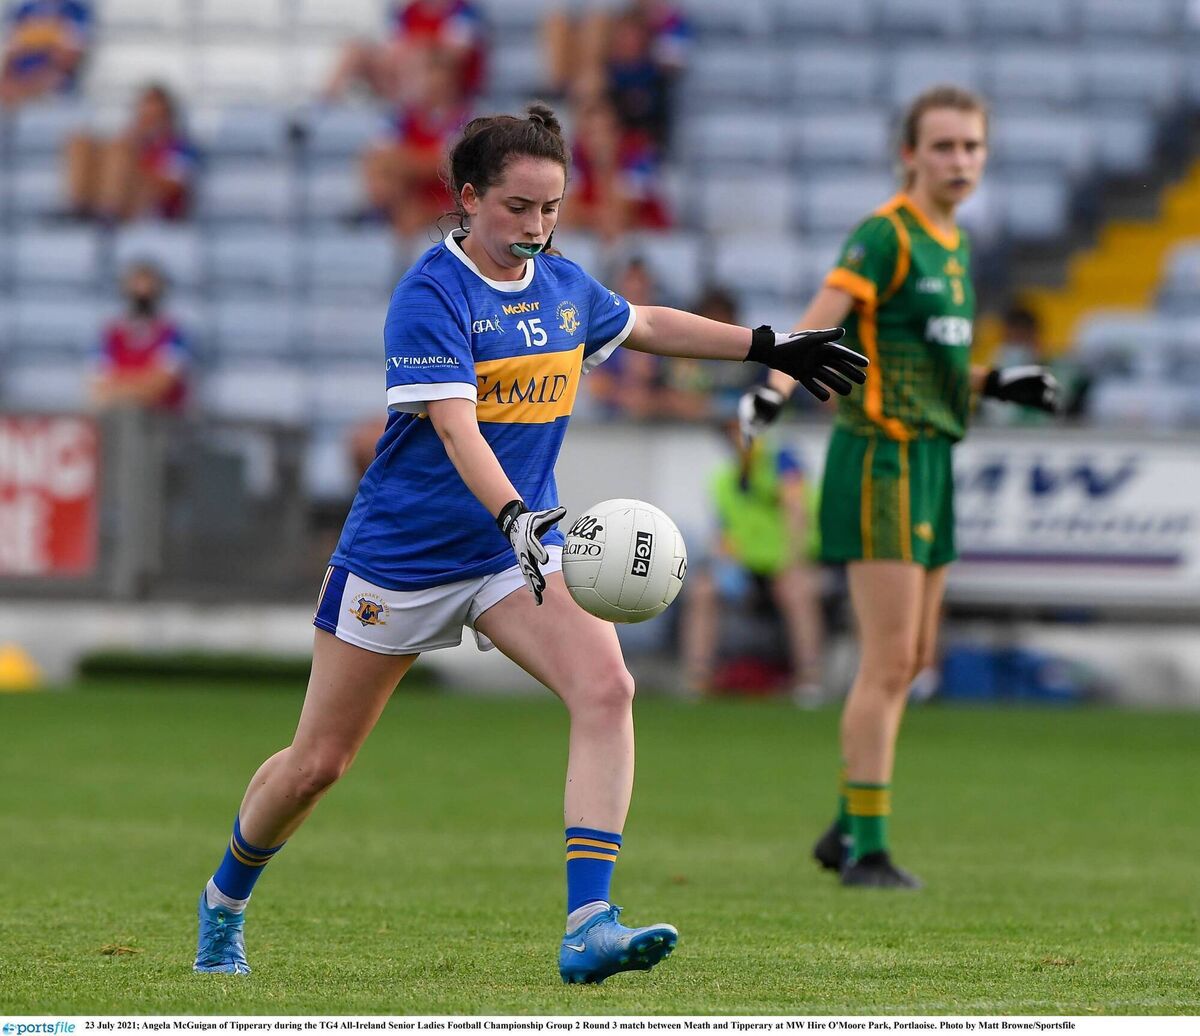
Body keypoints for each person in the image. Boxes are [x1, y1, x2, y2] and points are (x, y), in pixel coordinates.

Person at [193, 102, 867, 984]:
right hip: (404, 558)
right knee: (319, 764)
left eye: (551, 210)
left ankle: (590, 922)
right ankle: (225, 901)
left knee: (607, 687)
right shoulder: (430, 295)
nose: (537, 229)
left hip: (522, 550)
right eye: (518, 208)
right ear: (469, 200)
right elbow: (455, 425)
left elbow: (648, 324)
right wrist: (513, 512)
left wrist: (768, 346)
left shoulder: (562, 286)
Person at [739, 86, 1060, 890]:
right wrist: (771, 390)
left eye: (972, 148)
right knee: (887, 662)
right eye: (944, 146)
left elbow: (924, 361)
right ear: (908, 154)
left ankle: (848, 822)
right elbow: (826, 312)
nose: (960, 161)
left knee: (913, 658)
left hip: (933, 460)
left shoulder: (951, 244)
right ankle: (867, 851)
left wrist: (994, 383)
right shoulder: (885, 235)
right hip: (882, 457)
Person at [680, 419, 824, 704]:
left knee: (796, 591)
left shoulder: (782, 461)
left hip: (789, 562)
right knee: (703, 590)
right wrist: (725, 564)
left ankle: (809, 680)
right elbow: (724, 533)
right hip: (748, 568)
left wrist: (793, 561)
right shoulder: (723, 479)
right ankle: (698, 679)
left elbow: (798, 515)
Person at [64, 83, 197, 223]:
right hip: (125, 193)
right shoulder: (134, 141)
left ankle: (109, 207)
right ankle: (79, 205)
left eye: (154, 115)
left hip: (150, 206)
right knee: (80, 142)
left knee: (119, 151)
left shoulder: (177, 146)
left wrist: (137, 169)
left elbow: (174, 186)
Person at [322, 0, 487, 108]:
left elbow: (456, 54)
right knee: (354, 49)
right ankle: (324, 107)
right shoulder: (407, 12)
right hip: (404, 78)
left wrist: (419, 47)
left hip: (449, 87)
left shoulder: (464, 11)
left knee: (420, 57)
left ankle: (404, 108)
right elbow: (391, 50)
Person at [89, 262, 188, 412]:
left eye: (149, 289)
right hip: (119, 420)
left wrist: (120, 385)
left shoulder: (174, 334)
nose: (142, 295)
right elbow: (98, 388)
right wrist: (142, 383)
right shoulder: (110, 335)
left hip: (162, 422)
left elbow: (163, 384)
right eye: (136, 288)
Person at [0, 0, 91, 107]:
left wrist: (34, 40)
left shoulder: (76, 9)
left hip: (54, 85)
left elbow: (69, 54)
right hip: (19, 81)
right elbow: (13, 49)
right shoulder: (25, 9)